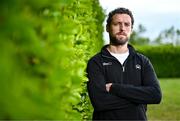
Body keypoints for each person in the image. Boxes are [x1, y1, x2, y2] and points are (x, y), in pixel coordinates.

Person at [86, 7, 162, 120]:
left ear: (131, 29)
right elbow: (100, 101)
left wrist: (115, 88)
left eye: (127, 24)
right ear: (107, 28)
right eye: (117, 24)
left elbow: (155, 95)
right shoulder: (96, 62)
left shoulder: (142, 61)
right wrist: (139, 98)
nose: (122, 28)